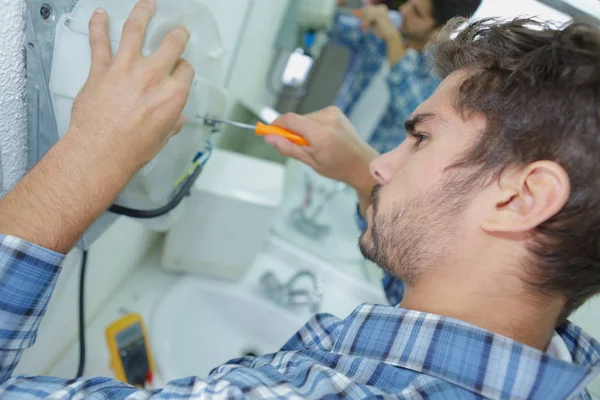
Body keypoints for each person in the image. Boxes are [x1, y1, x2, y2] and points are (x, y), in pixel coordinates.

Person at [0, 0, 599, 398]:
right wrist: (358, 172)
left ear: (523, 199)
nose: (383, 163)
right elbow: (447, 289)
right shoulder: (541, 363)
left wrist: (88, 155)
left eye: (419, 138)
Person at [331, 0, 482, 153]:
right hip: (330, 141)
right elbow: (329, 27)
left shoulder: (443, 74)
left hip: (367, 167)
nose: (403, 10)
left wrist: (393, 40)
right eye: (409, 2)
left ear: (443, 29)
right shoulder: (384, 29)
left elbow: (413, 117)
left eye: (416, 13)